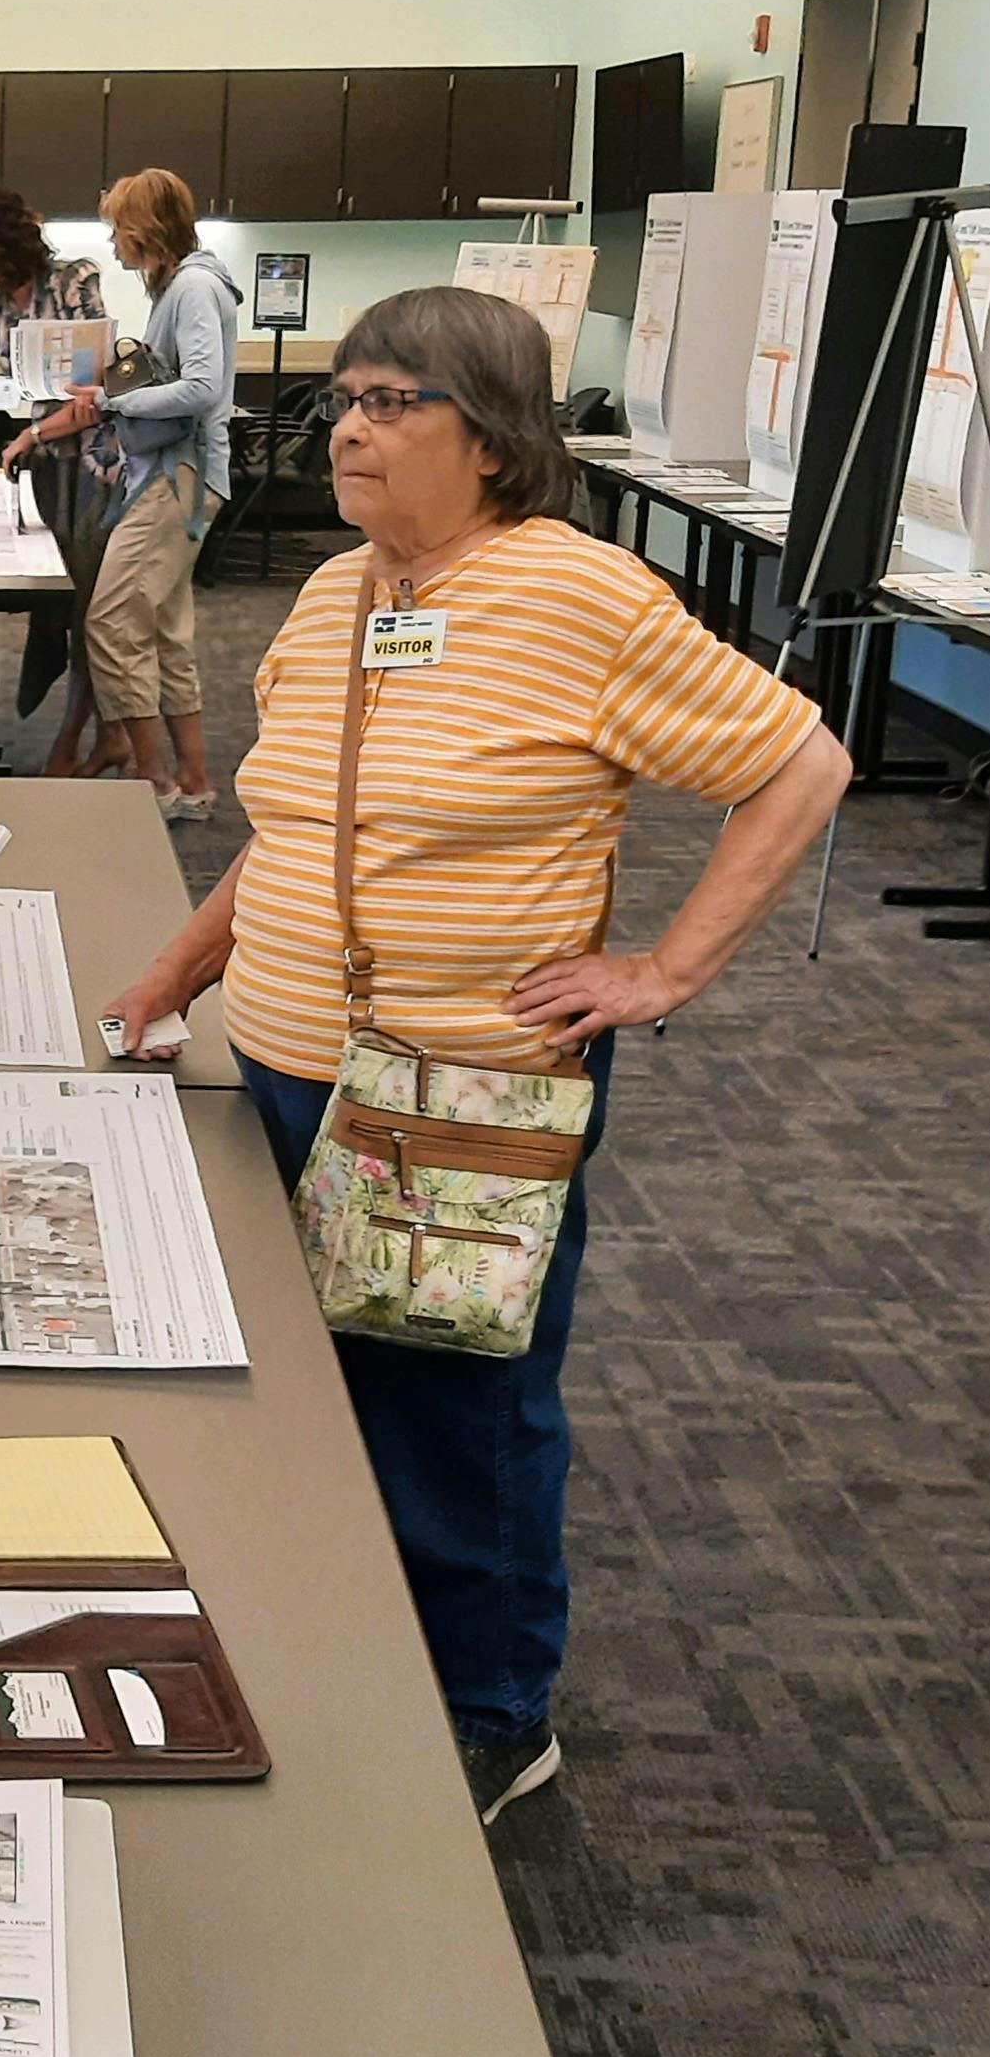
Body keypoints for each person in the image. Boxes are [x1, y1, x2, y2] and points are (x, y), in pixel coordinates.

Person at [101, 287, 850, 1824]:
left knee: (458, 1407)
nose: (355, 431)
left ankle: (492, 1710)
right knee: (312, 1385)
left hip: (463, 1091)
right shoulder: (333, 594)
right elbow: (298, 824)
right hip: (288, 1062)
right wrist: (180, 966)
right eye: (346, 404)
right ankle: (350, 1645)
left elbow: (800, 763)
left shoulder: (585, 598)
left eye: (396, 403)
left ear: (495, 441)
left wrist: (666, 968)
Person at [22, 167, 236, 820]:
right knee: (165, 628)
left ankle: (154, 781)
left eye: (117, 229)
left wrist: (117, 400)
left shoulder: (193, 287)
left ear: (142, 229)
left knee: (110, 621)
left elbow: (200, 389)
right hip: (177, 472)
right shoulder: (184, 286)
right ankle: (193, 782)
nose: (112, 245)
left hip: (180, 474)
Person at [0, 184, 119, 779]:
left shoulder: (73, 282)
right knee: (61, 601)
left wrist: (31, 435)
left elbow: (98, 394)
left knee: (88, 607)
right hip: (47, 463)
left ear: (1, 244)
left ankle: (77, 738)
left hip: (96, 461)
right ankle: (104, 735)